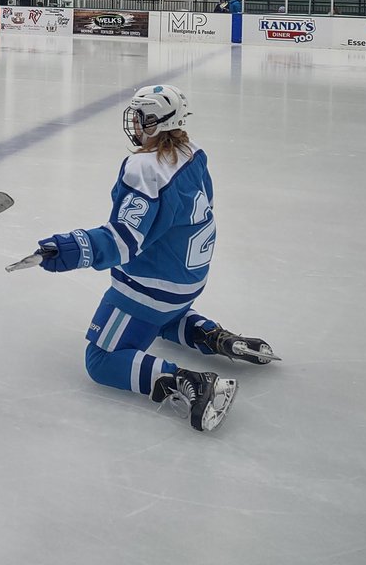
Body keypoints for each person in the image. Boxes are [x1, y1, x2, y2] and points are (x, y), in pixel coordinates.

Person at [26, 84, 277, 432]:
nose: (135, 123)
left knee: (101, 360)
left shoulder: (146, 168)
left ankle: (192, 381)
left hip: (150, 287)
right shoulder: (192, 153)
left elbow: (124, 240)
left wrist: (73, 248)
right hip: (187, 279)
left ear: (157, 122)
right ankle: (212, 336)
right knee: (160, 321)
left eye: (142, 116)